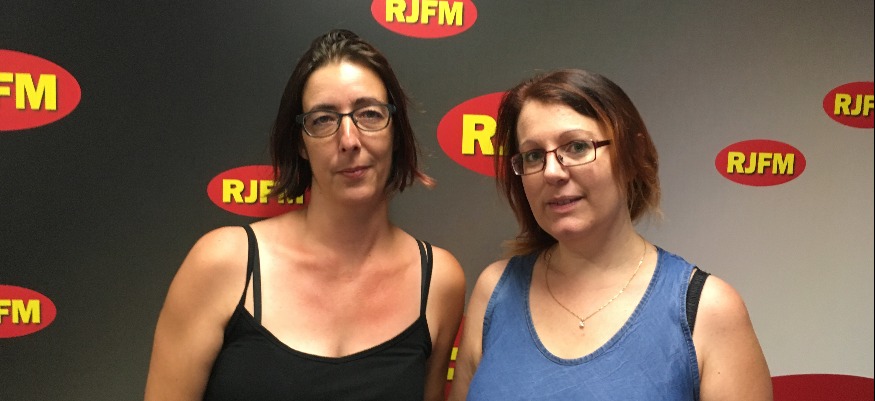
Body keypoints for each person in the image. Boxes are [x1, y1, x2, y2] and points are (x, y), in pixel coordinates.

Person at [144, 29, 466, 401]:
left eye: (370, 114)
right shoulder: (223, 264)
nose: (349, 140)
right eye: (323, 119)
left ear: (395, 131)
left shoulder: (438, 281)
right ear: (300, 141)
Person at [448, 69, 772, 400]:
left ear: (632, 156)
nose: (552, 172)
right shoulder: (495, 291)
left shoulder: (707, 309)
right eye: (533, 155)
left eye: (577, 147)